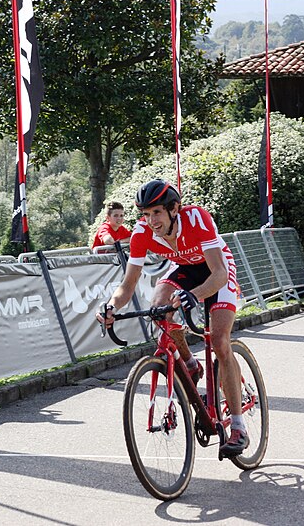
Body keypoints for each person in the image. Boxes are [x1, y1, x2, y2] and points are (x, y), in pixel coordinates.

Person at [95, 179, 248, 457]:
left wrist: (196, 295)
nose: (151, 220)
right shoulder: (142, 232)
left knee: (218, 338)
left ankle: (238, 426)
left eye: (156, 212)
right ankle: (189, 364)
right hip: (184, 269)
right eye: (145, 214)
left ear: (174, 208)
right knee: (159, 306)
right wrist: (111, 306)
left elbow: (218, 274)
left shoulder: (197, 218)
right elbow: (128, 284)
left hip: (217, 270)